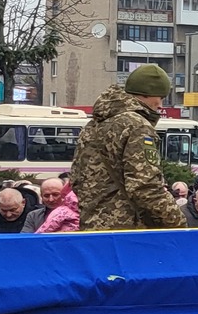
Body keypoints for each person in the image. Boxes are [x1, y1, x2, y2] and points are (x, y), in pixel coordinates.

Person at [71, 66, 185, 232]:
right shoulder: (138, 126)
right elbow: (145, 188)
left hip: (91, 226)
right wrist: (179, 224)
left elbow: (76, 178)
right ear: (150, 94)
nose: (160, 104)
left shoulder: (93, 125)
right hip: (127, 229)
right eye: (161, 97)